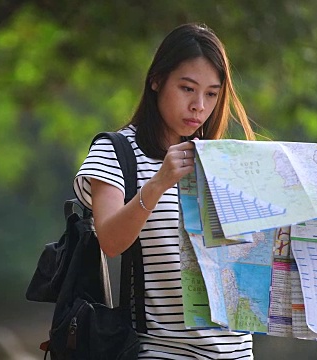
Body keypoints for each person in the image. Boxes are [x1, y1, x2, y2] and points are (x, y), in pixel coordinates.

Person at [74, 23, 256, 359]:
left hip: (236, 352)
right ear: (156, 80)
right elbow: (111, 241)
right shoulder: (116, 151)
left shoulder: (224, 161)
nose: (199, 106)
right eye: (187, 88)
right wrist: (159, 183)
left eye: (212, 94)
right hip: (162, 351)